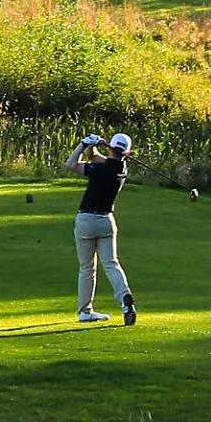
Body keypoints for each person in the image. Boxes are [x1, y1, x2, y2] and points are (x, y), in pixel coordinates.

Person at [68, 129, 136, 325]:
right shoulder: (121, 170)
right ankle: (125, 299)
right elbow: (98, 158)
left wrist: (83, 144)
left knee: (87, 267)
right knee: (111, 263)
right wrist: (94, 146)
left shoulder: (100, 169)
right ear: (127, 154)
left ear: (111, 148)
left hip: (86, 221)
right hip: (106, 221)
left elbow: (71, 164)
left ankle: (85, 311)